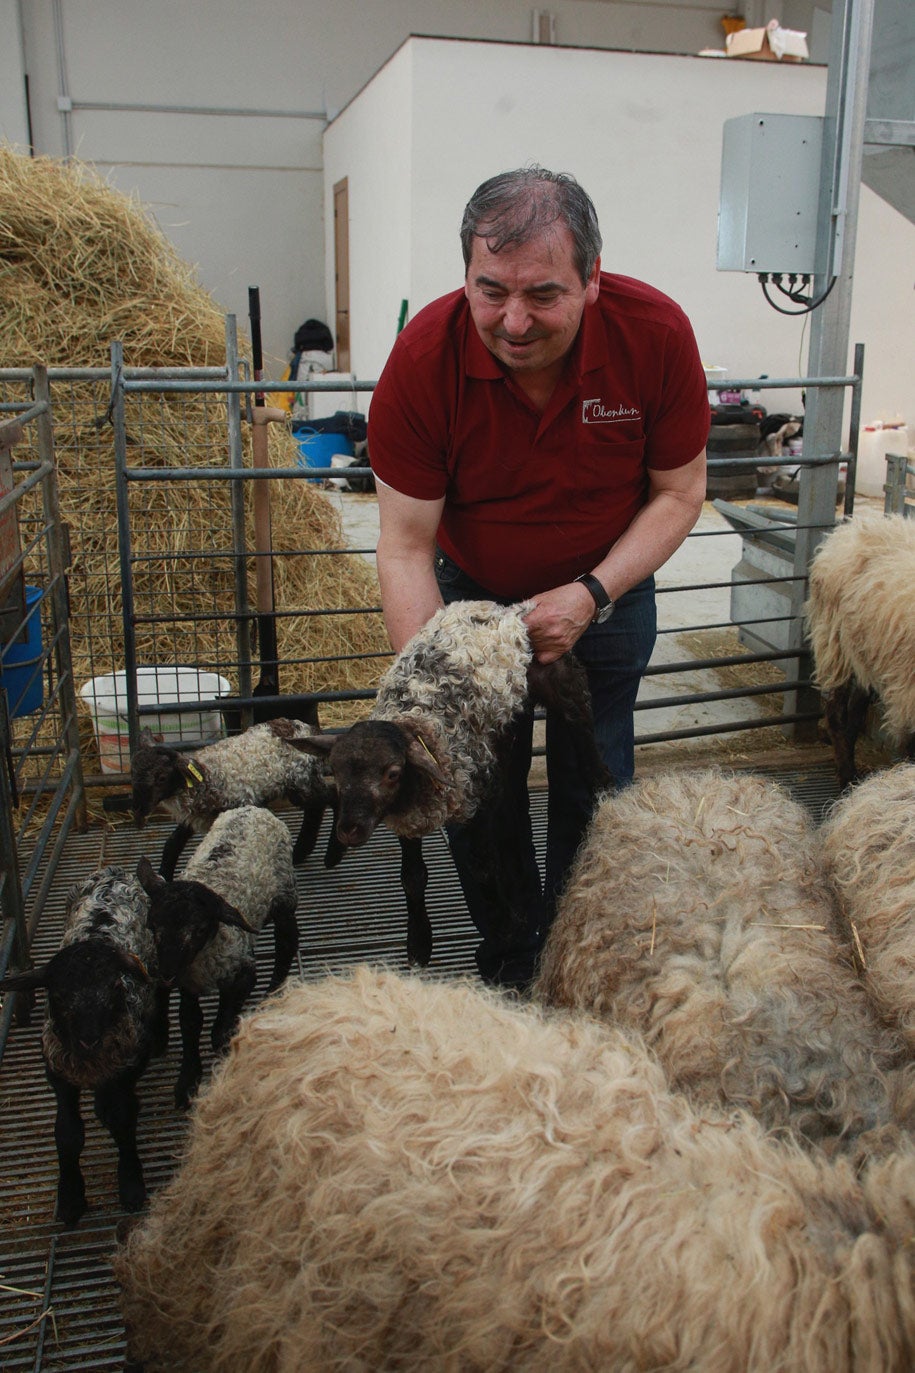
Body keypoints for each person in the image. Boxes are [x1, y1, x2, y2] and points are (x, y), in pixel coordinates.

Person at [367, 166, 709, 989]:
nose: (513, 322)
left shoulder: (654, 335)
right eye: (490, 291)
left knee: (595, 782)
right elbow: (406, 546)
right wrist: (443, 686)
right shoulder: (422, 362)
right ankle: (511, 959)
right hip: (472, 595)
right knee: (477, 787)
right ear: (465, 276)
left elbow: (678, 492)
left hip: (608, 589)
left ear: (593, 281)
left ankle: (585, 957)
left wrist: (592, 594)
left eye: (543, 295)